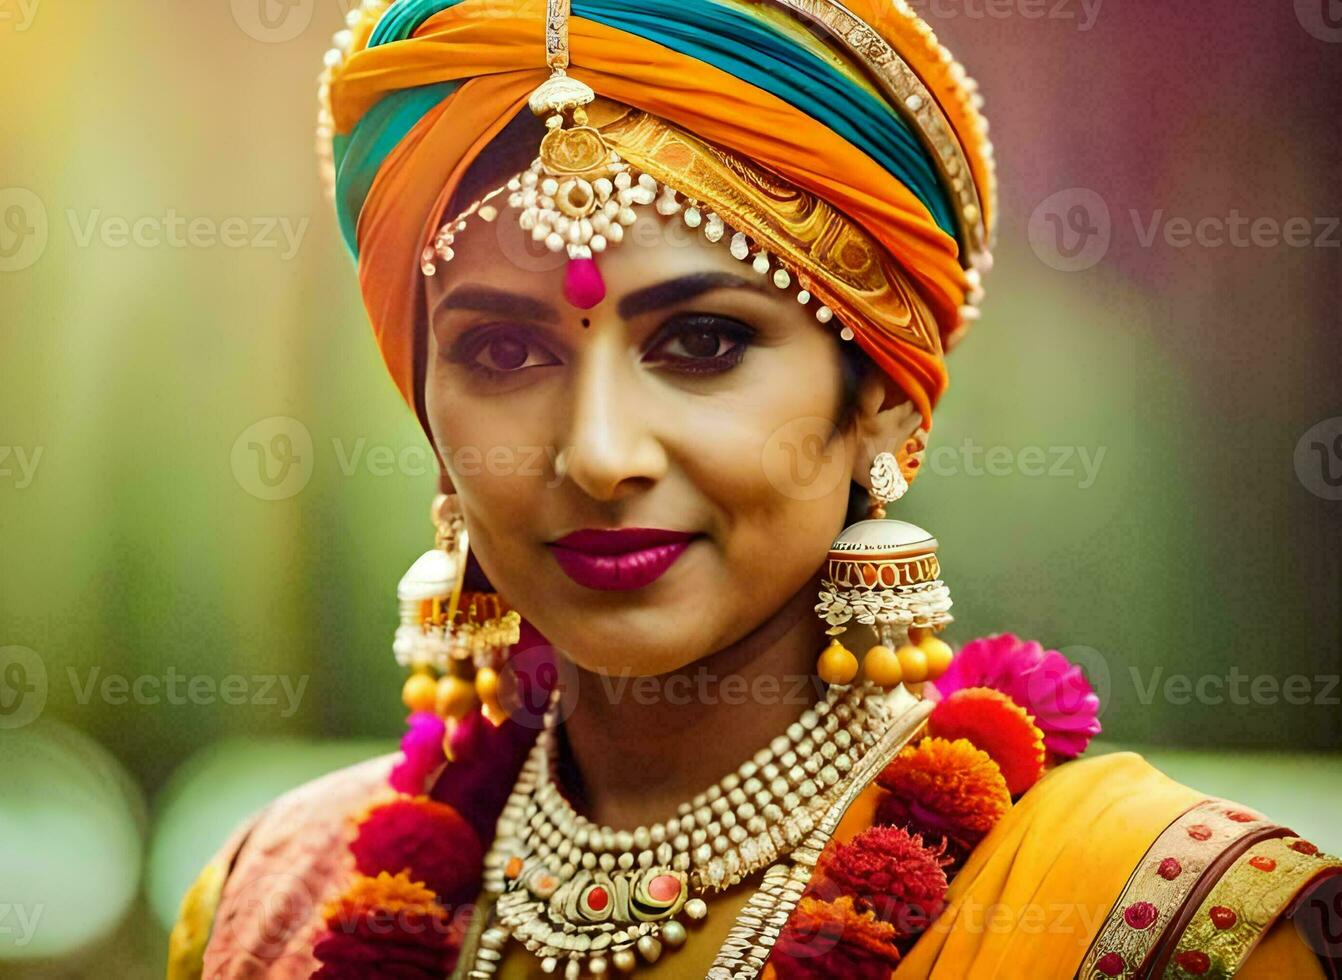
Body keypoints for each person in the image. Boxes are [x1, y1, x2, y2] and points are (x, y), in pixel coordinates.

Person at [167, 0, 1341, 977]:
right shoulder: (273, 901)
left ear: (883, 396)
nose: (598, 452)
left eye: (703, 343)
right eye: (505, 353)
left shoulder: (1159, 919)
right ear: (428, 413)